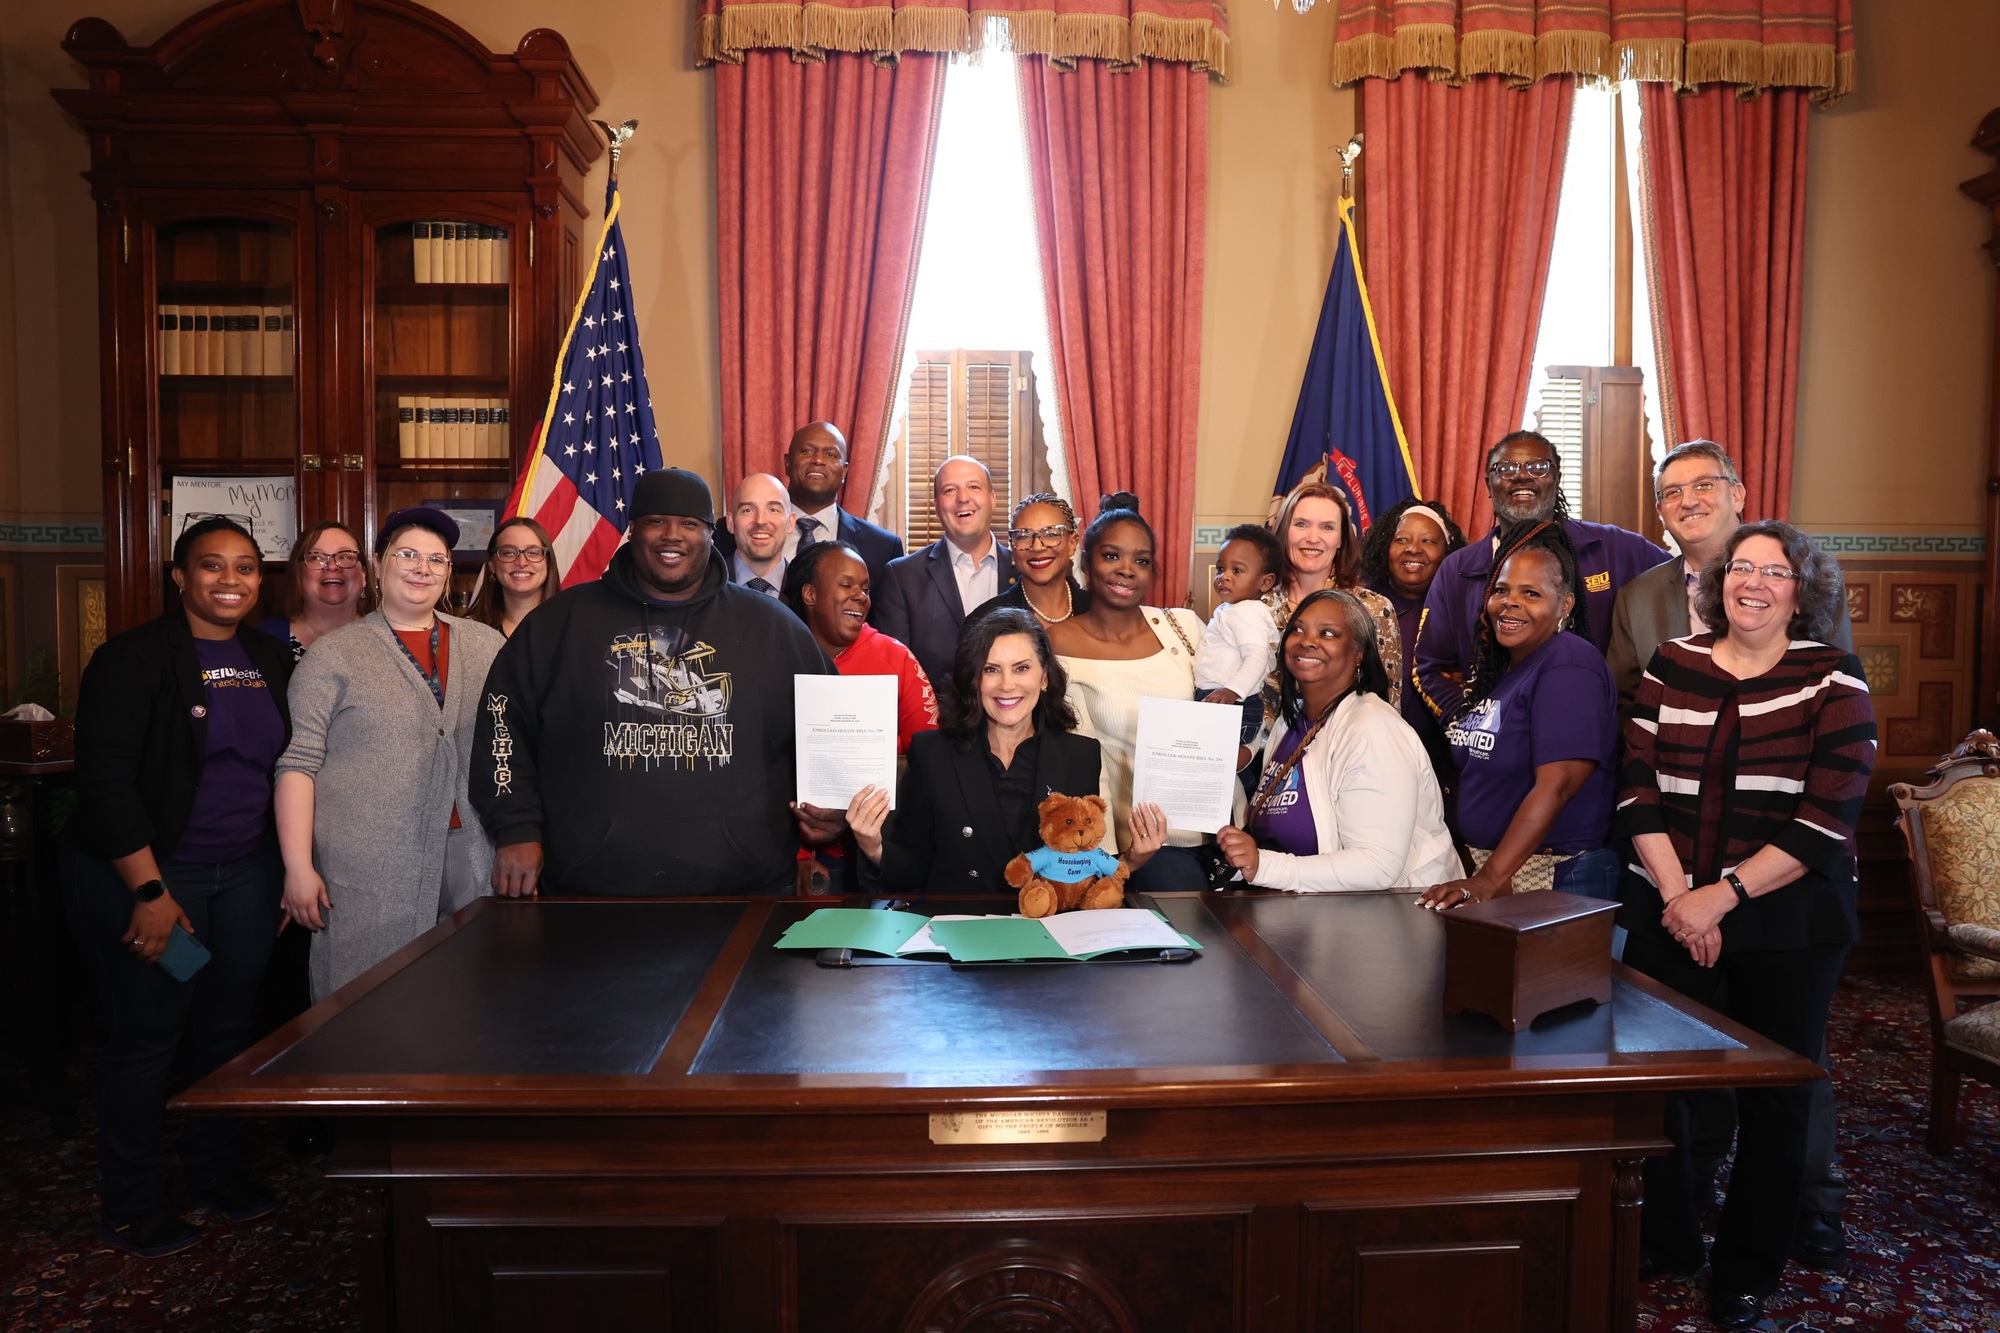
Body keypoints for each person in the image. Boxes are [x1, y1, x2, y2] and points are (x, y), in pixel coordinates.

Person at [1605, 439, 1858, 1271]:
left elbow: (1826, 817)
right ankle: (1668, 1244)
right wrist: (1682, 895)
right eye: (1741, 572)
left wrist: (1721, 897)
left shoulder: (1835, 680)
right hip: (1668, 905)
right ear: (1718, 586)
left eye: (1773, 571)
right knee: (1661, 1090)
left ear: (1800, 590)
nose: (1753, 582)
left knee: (1778, 1098)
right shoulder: (1671, 661)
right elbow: (1637, 783)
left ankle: (1752, 1265)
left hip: (1784, 918)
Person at [63, 516, 292, 1255]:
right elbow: (103, 783)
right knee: (151, 1036)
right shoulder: (132, 659)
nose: (231, 580)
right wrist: (152, 892)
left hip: (246, 877)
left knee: (227, 1032)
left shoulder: (268, 656)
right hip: (163, 884)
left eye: (247, 567)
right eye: (212, 566)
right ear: (180, 578)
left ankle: (214, 1175)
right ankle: (132, 1204)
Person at [471, 468, 840, 896]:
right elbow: (503, 722)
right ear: (632, 530)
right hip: (590, 894)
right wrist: (515, 828)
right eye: (655, 521)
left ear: (710, 532)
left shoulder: (774, 626)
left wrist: (833, 804)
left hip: (743, 891)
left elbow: (830, 726)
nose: (672, 535)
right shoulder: (559, 624)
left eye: (688, 524)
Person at [275, 507, 505, 998]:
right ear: (378, 565)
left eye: (437, 560)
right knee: (370, 1004)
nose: (422, 568)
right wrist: (298, 867)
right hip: (370, 867)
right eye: (407, 555)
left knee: (474, 998)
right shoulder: (333, 656)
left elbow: (513, 743)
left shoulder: (487, 645)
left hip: (475, 852)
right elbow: (298, 765)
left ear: (448, 573)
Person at [847, 609, 1157, 892]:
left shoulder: (1081, 756)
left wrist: (1134, 858)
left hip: (1043, 932)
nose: (1007, 684)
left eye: (1021, 668)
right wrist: (873, 845)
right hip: (959, 930)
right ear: (974, 680)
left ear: (1045, 677)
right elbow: (914, 869)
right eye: (991, 669)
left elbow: (1076, 872)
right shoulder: (933, 754)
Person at [1417, 522, 1620, 909]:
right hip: (1498, 871)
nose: (1510, 602)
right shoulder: (1507, 671)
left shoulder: (1569, 662)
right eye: (1501, 590)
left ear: (1565, 605)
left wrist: (1490, 878)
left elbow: (1558, 784)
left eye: (1531, 593)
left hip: (1555, 874)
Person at [1414, 430, 1668, 723]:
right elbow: (1430, 667)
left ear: (1556, 478)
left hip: (1595, 740)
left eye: (1538, 466)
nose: (1522, 476)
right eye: (1506, 468)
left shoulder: (1615, 549)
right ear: (1489, 484)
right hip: (1491, 754)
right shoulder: (1457, 569)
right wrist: (1474, 725)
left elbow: (1684, 578)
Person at [1215, 590, 1458, 892]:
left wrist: (1264, 866)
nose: (1307, 640)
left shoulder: (1374, 729)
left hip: (1392, 920)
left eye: (1327, 633)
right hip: (1312, 918)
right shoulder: (1289, 724)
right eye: (1298, 629)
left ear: (1358, 652)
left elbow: (1377, 866)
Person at [1608, 439, 1852, 720]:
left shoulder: (1807, 576)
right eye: (1673, 492)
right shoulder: (1636, 598)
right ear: (1661, 512)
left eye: (1704, 485)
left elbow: (1840, 692)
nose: (1688, 501)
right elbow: (1627, 710)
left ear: (1737, 495)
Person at [1047, 492, 1196, 889]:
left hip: (1215, 825)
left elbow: (1245, 702)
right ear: (1086, 564)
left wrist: (1245, 750)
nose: (1127, 569)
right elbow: (1075, 758)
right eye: (1112, 556)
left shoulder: (1184, 627)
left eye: (1141, 560)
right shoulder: (1058, 643)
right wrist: (1111, 861)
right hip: (1140, 847)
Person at [874, 455, 1019, 709]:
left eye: (974, 487)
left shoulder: (1023, 571)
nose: (963, 497)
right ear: (937, 505)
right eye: (950, 490)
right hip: (938, 733)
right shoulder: (902, 576)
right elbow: (893, 675)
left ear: (993, 498)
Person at [714, 421, 904, 604]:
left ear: (845, 470)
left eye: (830, 454)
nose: (818, 460)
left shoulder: (883, 547)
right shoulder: (726, 533)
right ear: (787, 463)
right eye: (807, 451)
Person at [780, 540, 938, 755]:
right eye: (846, 585)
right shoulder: (778, 655)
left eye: (866, 589)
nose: (861, 597)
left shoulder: (897, 657)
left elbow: (929, 751)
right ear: (810, 594)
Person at [1267, 481, 1402, 709]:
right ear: (1284, 531)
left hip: (1343, 741)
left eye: (1327, 527)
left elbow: (1389, 703)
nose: (1312, 537)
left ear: (1341, 539)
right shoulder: (1254, 605)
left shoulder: (1374, 609)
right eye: (1301, 524)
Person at [1361, 497, 1466, 786]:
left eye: (1429, 541)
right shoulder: (1360, 605)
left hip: (1444, 764)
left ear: (1448, 552)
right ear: (1386, 548)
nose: (1414, 549)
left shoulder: (1462, 608)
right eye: (1402, 539)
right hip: (1370, 760)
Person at [1194, 523, 1282, 773]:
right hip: (1222, 698)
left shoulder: (1246, 613)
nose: (1225, 576)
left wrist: (1232, 690)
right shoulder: (1232, 609)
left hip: (1234, 703)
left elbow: (1256, 658)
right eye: (1220, 568)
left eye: (1237, 570)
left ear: (1265, 582)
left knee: (1217, 767)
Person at [968, 492, 1090, 627]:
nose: (1037, 547)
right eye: (1023, 536)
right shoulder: (984, 621)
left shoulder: (1098, 611)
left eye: (1051, 534)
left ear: (1072, 544)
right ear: (1012, 546)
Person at [256, 520, 366, 661]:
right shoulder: (263, 642)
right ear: (298, 575)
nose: (332, 566)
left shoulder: (390, 641)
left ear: (364, 575)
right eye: (316, 557)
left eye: (344, 557)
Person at [464, 516, 564, 637]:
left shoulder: (573, 628)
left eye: (533, 553)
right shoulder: (467, 631)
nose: (522, 563)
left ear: (548, 562)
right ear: (492, 565)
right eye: (509, 553)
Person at [725, 471, 793, 596]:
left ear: (791, 522)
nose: (760, 521)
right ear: (730, 523)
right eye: (748, 510)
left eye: (773, 510)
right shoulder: (702, 586)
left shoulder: (809, 590)